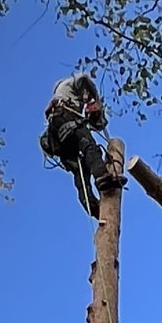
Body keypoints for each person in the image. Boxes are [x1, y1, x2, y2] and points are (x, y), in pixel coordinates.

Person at [40, 72, 126, 216]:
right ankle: (102, 176)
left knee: (81, 168)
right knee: (89, 146)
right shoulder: (70, 84)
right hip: (65, 119)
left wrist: (96, 116)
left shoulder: (67, 97)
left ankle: (91, 205)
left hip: (58, 139)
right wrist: (95, 99)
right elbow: (84, 78)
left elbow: (95, 124)